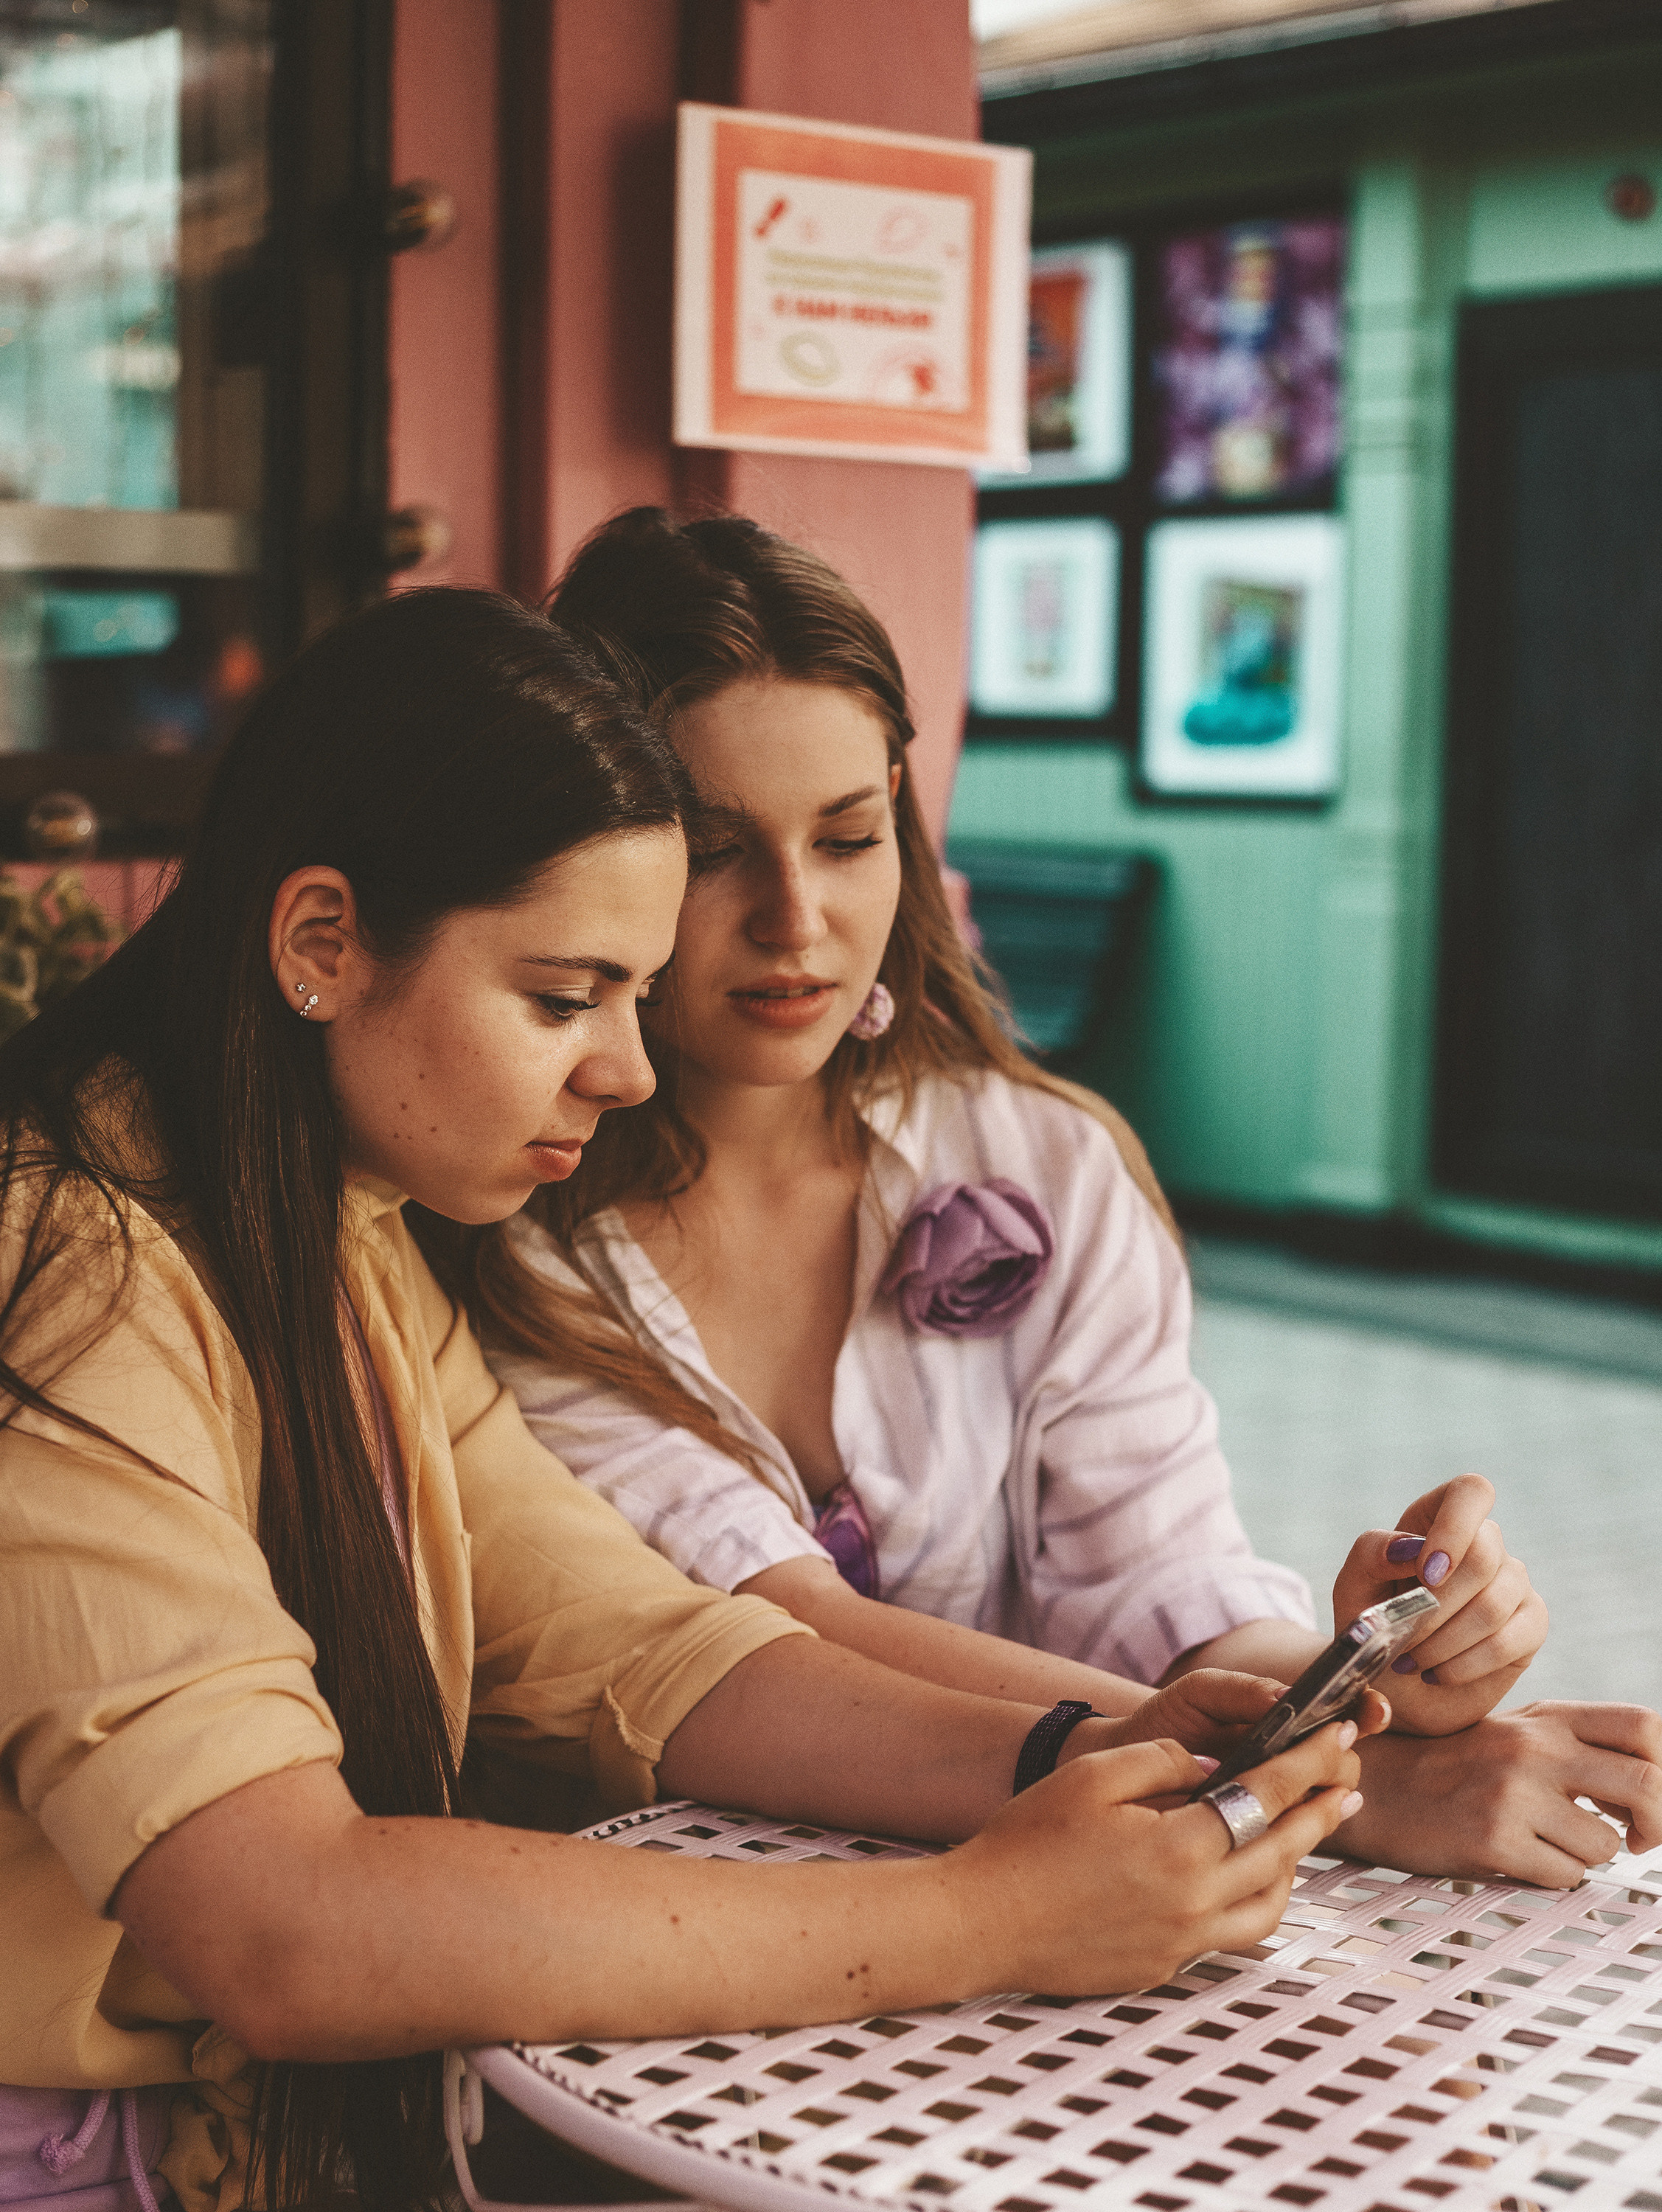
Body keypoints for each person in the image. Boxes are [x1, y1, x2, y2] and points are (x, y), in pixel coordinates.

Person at [0, 588, 1374, 2212]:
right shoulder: (67, 1270)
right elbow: (280, 1919)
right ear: (321, 944)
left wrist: (1094, 1746)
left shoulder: (340, 1234)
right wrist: (986, 1922)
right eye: (561, 997)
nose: (627, 1070)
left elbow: (641, 1650)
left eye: (629, 999)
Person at [471, 507, 1662, 1890]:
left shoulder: (1039, 1163)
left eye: (848, 837)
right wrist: (1354, 1784)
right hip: (659, 1928)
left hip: (1076, 1940)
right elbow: (769, 1629)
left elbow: (1154, 1586)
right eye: (717, 846)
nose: (795, 919)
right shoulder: (513, 1213)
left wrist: (1373, 1675)